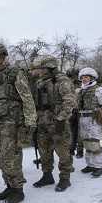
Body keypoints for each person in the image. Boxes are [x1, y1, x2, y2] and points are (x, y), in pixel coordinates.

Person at [0, 43, 37, 203]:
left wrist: (30, 121)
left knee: (10, 157)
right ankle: (9, 186)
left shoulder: (14, 73)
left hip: (11, 122)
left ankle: (18, 190)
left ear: (3, 56)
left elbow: (27, 98)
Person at [30, 55, 76, 191]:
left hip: (57, 122)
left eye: (41, 68)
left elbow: (70, 101)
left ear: (49, 67)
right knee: (44, 151)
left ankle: (65, 178)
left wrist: (61, 119)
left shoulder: (62, 81)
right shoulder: (40, 82)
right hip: (42, 122)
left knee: (63, 151)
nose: (38, 71)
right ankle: (47, 175)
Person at [77, 67, 102, 177]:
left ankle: (98, 166)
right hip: (82, 118)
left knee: (94, 143)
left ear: (92, 78)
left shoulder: (100, 90)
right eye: (83, 77)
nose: (84, 79)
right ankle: (90, 164)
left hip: (94, 119)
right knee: (86, 143)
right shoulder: (81, 91)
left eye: (87, 77)